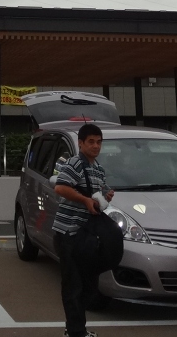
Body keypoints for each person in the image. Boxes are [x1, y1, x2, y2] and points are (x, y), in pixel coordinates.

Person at [52, 123, 115, 337]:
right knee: (73, 285)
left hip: (87, 235)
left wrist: (106, 197)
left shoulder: (98, 169)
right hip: (68, 233)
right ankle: (75, 331)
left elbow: (100, 194)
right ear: (81, 143)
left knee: (89, 285)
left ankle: (76, 328)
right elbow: (60, 187)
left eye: (99, 142)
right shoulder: (75, 163)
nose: (96, 146)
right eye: (91, 142)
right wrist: (85, 200)